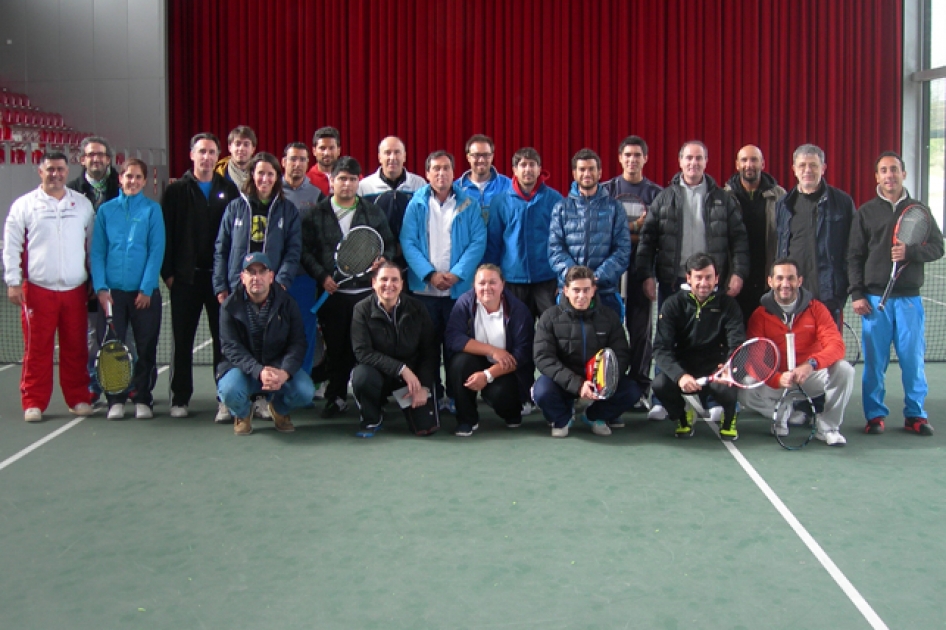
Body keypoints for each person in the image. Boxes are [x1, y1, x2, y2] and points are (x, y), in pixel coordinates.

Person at [636, 140, 749, 421]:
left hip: (710, 284)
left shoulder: (723, 199)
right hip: (672, 282)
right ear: (680, 161)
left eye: (699, 158)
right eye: (688, 158)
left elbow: (739, 240)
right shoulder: (664, 198)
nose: (693, 163)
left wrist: (738, 272)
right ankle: (664, 397)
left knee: (711, 342)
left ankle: (711, 396)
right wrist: (647, 275)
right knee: (667, 339)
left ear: (706, 161)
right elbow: (648, 240)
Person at [848, 151, 945, 436]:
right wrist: (857, 294)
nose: (889, 175)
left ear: (903, 174)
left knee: (912, 361)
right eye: (884, 170)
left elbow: (938, 247)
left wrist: (911, 252)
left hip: (909, 300)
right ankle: (875, 416)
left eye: (894, 169)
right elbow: (854, 256)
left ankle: (915, 414)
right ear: (876, 177)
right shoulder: (866, 212)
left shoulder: (920, 209)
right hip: (874, 300)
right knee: (875, 364)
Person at [3, 151, 96, 421]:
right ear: (40, 172)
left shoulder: (82, 205)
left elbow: (91, 246)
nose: (55, 174)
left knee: (76, 347)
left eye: (60, 169)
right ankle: (33, 401)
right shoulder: (24, 205)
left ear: (68, 172)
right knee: (37, 349)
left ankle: (78, 397)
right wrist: (12, 281)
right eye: (50, 169)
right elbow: (11, 246)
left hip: (75, 290)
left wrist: (92, 278)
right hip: (38, 291)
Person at [301, 157, 395, 418]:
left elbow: (389, 245)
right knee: (337, 349)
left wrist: (383, 260)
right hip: (333, 296)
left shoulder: (372, 212)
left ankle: (373, 397)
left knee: (369, 348)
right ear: (331, 181)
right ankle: (337, 396)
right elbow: (305, 251)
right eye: (341, 178)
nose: (347, 184)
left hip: (366, 296)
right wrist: (321, 276)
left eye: (352, 179)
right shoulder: (315, 214)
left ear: (358, 181)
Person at [161, 132, 240, 421]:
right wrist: (169, 274)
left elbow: (235, 236)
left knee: (224, 342)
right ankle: (180, 398)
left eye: (211, 152)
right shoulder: (175, 191)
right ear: (192, 155)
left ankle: (225, 399)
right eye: (201, 152)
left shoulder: (228, 190)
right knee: (182, 342)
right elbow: (166, 234)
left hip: (219, 282)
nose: (206, 157)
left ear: (218, 156)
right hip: (184, 281)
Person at [401, 150, 487, 411]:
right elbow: (408, 241)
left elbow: (477, 241)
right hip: (424, 291)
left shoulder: (469, 204)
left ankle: (455, 397)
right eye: (436, 169)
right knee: (426, 348)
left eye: (446, 168)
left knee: (455, 348)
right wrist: (429, 274)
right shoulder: (415, 204)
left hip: (457, 292)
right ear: (427, 174)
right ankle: (432, 395)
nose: (441, 173)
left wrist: (456, 274)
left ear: (454, 172)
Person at [738, 258, 854, 445]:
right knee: (745, 387)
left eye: (791, 278)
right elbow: (754, 360)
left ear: (799, 281)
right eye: (780, 278)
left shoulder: (817, 309)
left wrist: (811, 364)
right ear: (770, 282)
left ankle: (828, 426)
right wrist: (777, 378)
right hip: (778, 380)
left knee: (845, 369)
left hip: (809, 376)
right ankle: (783, 412)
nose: (785, 284)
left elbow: (836, 346)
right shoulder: (760, 315)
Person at [90, 158, 166, 420]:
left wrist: (146, 288)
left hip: (143, 294)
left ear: (145, 181)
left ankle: (143, 397)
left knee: (146, 347)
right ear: (120, 179)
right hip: (113, 294)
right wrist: (101, 287)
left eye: (137, 177)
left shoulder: (152, 211)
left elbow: (156, 250)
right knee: (112, 347)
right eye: (127, 176)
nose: (132, 181)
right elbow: (97, 252)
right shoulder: (106, 211)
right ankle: (115, 399)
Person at [533, 266, 643, 437]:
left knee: (632, 391)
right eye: (576, 290)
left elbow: (621, 354)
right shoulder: (550, 317)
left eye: (586, 290)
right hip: (565, 382)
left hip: (598, 383)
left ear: (594, 290)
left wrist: (603, 383)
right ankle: (563, 418)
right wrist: (577, 385)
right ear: (566, 291)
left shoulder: (609, 317)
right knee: (542, 391)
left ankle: (594, 415)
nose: (581, 296)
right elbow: (543, 358)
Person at [217, 252, 314, 436]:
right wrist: (258, 371)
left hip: (277, 368)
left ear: (271, 276)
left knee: (305, 391)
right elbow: (231, 348)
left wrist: (284, 372)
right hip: (242, 369)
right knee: (229, 390)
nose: (256, 278)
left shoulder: (288, 304)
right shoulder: (229, 306)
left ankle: (279, 409)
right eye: (251, 272)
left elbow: (298, 343)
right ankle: (243, 413)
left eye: (262, 272)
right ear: (242, 277)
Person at [651, 253, 745, 440]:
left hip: (716, 367)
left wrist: (728, 368)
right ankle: (683, 415)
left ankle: (729, 418)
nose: (704, 283)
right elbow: (661, 348)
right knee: (659, 385)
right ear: (689, 278)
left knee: (729, 382)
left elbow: (737, 344)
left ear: (716, 278)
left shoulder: (729, 305)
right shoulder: (672, 305)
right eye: (698, 277)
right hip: (684, 366)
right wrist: (680, 376)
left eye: (709, 277)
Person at [350, 262, 440, 438]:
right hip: (379, 374)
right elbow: (362, 352)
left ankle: (412, 406)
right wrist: (401, 369)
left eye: (394, 280)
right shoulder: (361, 310)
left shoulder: (418, 308)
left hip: (412, 379)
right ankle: (372, 418)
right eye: (383, 279)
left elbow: (430, 351)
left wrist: (424, 386)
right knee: (362, 376)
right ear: (373, 283)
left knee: (425, 428)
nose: (389, 285)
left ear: (402, 284)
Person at [444, 265, 535, 436]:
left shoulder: (519, 310)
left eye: (492, 282)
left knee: (500, 395)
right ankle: (467, 420)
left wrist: (487, 375)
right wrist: (492, 351)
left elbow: (522, 354)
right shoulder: (464, 302)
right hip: (479, 359)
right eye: (482, 283)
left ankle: (513, 412)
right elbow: (453, 338)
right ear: (474, 286)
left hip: (506, 368)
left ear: (503, 285)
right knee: (459, 363)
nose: (487, 288)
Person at [603, 135, 663, 388]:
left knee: (640, 330)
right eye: (627, 155)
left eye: (637, 155)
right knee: (608, 327)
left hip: (642, 266)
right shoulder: (606, 191)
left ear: (645, 159)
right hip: (611, 266)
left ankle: (638, 384)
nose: (632, 160)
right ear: (620, 158)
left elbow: (661, 233)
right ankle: (607, 381)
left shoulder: (657, 194)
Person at [67, 135, 122, 402]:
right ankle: (93, 386)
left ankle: (126, 385)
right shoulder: (71, 192)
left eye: (101, 155)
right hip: (85, 280)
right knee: (90, 339)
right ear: (82, 159)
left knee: (124, 334)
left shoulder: (122, 187)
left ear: (109, 160)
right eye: (91, 155)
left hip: (120, 276)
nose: (96, 159)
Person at [775, 144, 854, 328]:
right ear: (794, 169)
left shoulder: (842, 202)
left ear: (823, 168)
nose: (807, 170)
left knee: (829, 351)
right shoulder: (783, 204)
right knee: (795, 351)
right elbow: (780, 247)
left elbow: (853, 249)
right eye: (802, 165)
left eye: (813, 165)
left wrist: (845, 288)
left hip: (829, 295)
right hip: (792, 294)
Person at [548, 148, 631, 318]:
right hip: (570, 293)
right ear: (574, 173)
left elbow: (622, 250)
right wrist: (578, 280)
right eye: (582, 169)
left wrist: (595, 278)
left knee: (609, 343)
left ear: (599, 172)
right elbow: (555, 249)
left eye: (591, 169)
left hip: (605, 292)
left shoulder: (614, 208)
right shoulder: (561, 208)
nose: (587, 173)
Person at [484, 147, 563, 319]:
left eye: (532, 165)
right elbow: (494, 243)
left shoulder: (555, 200)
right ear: (514, 170)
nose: (528, 169)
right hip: (513, 280)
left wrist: (561, 278)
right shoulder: (500, 201)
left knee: (551, 327)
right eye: (523, 165)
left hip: (546, 279)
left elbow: (563, 242)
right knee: (517, 331)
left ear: (539, 169)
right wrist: (494, 278)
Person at [213, 152, 302, 299]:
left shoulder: (288, 210)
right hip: (238, 289)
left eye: (270, 174)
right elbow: (221, 248)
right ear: (252, 174)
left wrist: (281, 283)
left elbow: (293, 250)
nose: (265, 179)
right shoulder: (234, 208)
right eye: (260, 173)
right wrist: (220, 286)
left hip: (272, 290)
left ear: (277, 177)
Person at [723, 145, 787, 323]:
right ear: (737, 164)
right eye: (744, 160)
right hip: (735, 280)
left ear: (763, 164)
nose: (749, 164)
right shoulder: (723, 197)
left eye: (754, 160)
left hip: (767, 280)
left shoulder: (780, 196)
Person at [281, 142, 325, 373]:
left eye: (302, 160)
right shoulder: (271, 191)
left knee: (306, 329)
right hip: (275, 277)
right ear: (284, 162)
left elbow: (321, 237)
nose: (297, 164)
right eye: (292, 159)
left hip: (305, 277)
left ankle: (302, 379)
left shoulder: (316, 195)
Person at [357, 136, 426, 265]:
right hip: (377, 260)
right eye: (387, 152)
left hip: (412, 260)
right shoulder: (364, 186)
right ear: (379, 157)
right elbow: (361, 226)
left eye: (397, 152)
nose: (392, 157)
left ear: (404, 156)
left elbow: (424, 223)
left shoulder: (419, 184)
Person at [456, 134, 512, 222]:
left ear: (492, 157)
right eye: (476, 155)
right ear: (468, 157)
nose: (481, 160)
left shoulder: (508, 186)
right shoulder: (455, 189)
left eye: (486, 155)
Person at [214, 126, 257, 190]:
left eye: (246, 144)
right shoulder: (218, 173)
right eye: (237, 144)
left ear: (253, 149)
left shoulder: (262, 173)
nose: (241, 148)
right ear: (229, 148)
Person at [306, 126, 341, 196]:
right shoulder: (306, 181)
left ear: (338, 150)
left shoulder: (353, 177)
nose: (327, 153)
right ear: (314, 151)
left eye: (331, 148)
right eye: (322, 148)